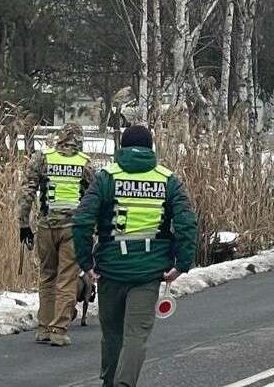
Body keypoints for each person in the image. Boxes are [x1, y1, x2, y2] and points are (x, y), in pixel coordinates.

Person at [72, 124, 198, 387]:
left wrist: (86, 263)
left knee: (112, 335)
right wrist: (182, 263)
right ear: (150, 148)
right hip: (149, 272)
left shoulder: (106, 177)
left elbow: (82, 220)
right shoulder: (168, 180)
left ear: (122, 147)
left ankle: (109, 383)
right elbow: (187, 222)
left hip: (110, 269)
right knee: (135, 336)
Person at [18, 122, 95, 347]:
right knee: (67, 278)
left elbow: (27, 191)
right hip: (73, 228)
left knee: (47, 275)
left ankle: (43, 327)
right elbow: (94, 198)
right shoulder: (85, 164)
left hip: (46, 227)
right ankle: (59, 329)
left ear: (59, 138)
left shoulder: (43, 158)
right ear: (79, 140)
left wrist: (24, 224)